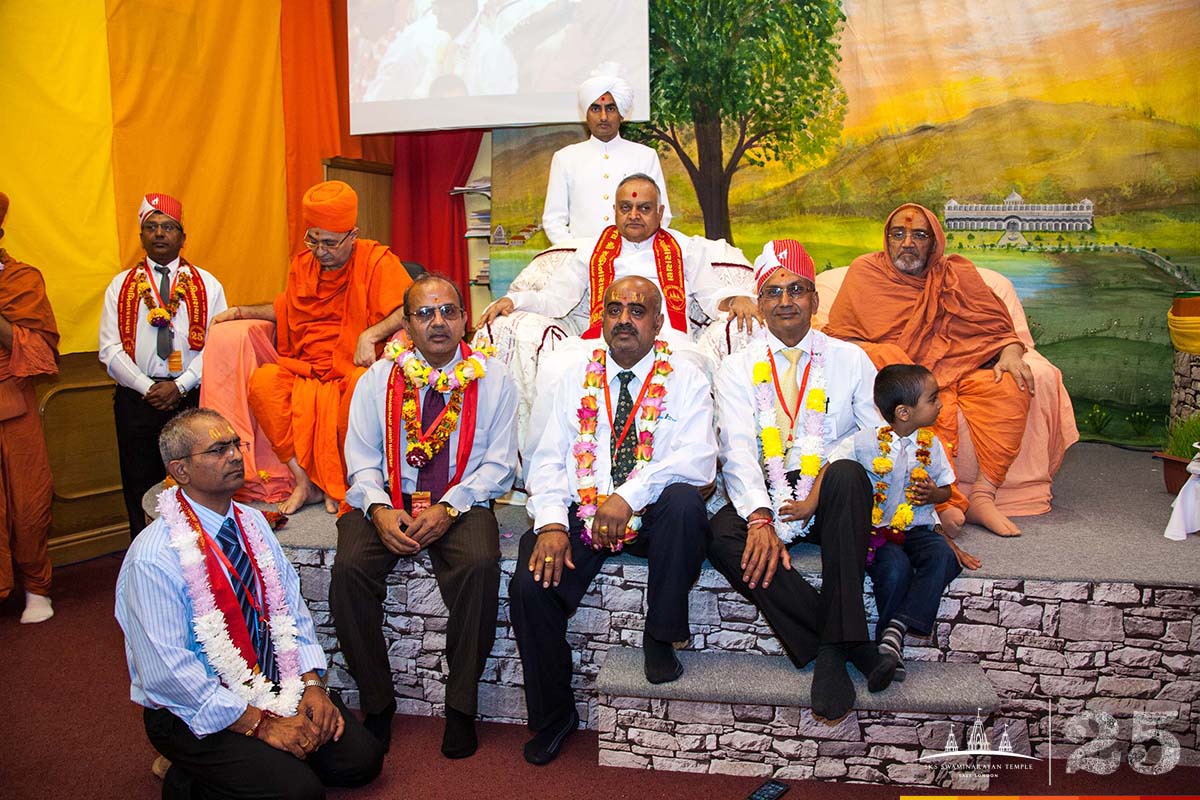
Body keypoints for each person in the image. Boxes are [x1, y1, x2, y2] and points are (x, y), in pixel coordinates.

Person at [114, 408, 383, 799]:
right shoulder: (154, 556)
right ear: (181, 470)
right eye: (218, 450)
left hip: (274, 682)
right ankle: (185, 777)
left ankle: (238, 766)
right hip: (191, 707)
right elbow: (167, 674)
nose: (236, 455)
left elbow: (291, 610)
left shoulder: (253, 523)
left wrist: (311, 686)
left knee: (361, 761)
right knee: (300, 793)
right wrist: (260, 725)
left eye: (235, 444)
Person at [509, 276, 715, 765]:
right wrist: (554, 524)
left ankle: (661, 634)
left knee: (686, 505)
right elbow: (549, 460)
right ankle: (554, 716)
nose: (624, 320)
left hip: (653, 517)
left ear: (658, 322)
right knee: (529, 586)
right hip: (585, 513)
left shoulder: (685, 378)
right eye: (614, 309)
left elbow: (700, 461)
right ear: (601, 319)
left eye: (637, 310)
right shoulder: (574, 378)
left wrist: (628, 495)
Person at [331, 274, 518, 759]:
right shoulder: (378, 378)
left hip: (463, 499)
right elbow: (362, 459)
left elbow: (500, 465)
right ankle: (377, 704)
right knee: (348, 572)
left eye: (449, 311)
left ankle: (460, 708)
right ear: (407, 325)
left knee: (480, 566)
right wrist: (377, 508)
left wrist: (451, 505)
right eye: (424, 313)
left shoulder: (493, 377)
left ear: (464, 319)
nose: (438, 322)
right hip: (389, 498)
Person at [708, 239, 895, 723]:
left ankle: (830, 652)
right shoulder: (737, 367)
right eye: (773, 291)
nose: (785, 300)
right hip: (769, 489)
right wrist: (760, 517)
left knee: (851, 477)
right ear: (761, 301)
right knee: (719, 534)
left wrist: (822, 478)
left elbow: (875, 434)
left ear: (814, 299)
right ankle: (846, 643)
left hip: (829, 490)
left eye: (797, 289)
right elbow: (737, 449)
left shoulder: (849, 359)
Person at [824, 203, 1034, 537]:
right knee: (920, 397)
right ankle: (941, 504)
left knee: (1011, 384)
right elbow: (840, 337)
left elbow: (995, 327)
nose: (907, 242)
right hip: (903, 375)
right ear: (887, 239)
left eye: (918, 234)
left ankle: (984, 494)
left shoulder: (955, 274)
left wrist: (1011, 352)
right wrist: (887, 354)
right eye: (898, 234)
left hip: (959, 364)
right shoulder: (866, 272)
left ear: (933, 242)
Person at [208, 180, 412, 514]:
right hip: (307, 368)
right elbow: (288, 308)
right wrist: (243, 312)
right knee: (264, 384)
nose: (320, 251)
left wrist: (370, 334)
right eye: (313, 240)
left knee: (362, 387)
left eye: (330, 243)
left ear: (352, 234)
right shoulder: (303, 264)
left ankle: (345, 485)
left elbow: (409, 307)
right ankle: (305, 482)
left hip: (354, 368)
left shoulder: (376, 261)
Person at [830, 364, 980, 683]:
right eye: (932, 399)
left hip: (919, 527)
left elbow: (946, 489)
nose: (939, 404)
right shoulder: (862, 443)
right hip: (879, 532)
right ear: (903, 412)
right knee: (895, 569)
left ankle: (894, 630)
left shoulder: (933, 444)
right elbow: (832, 473)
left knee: (944, 558)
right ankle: (891, 644)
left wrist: (932, 494)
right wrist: (806, 507)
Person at [483, 173, 757, 345]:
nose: (634, 215)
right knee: (560, 370)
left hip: (668, 343)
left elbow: (711, 297)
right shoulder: (592, 250)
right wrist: (515, 301)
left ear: (660, 213)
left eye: (644, 208)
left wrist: (736, 299)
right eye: (626, 207)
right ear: (615, 210)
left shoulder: (685, 248)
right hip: (605, 343)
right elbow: (555, 300)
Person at [99, 193, 227, 536]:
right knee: (139, 484)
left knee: (195, 480)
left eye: (168, 227)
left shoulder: (208, 284)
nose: (159, 234)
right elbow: (109, 349)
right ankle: (144, 558)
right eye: (151, 227)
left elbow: (218, 346)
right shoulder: (120, 285)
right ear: (141, 236)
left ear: (182, 237)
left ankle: (199, 557)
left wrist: (181, 385)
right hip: (137, 400)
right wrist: (147, 387)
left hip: (189, 399)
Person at [0, 192, 59, 623]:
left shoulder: (21, 279)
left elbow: (39, 354)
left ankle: (37, 589)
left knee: (28, 502)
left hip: (13, 404)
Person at [541, 73, 672, 245]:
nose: (603, 117)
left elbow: (662, 215)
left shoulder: (645, 156)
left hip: (635, 259)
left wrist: (636, 250)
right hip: (581, 259)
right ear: (586, 115)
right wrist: (577, 252)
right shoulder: (565, 158)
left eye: (610, 108)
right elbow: (553, 220)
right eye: (595, 109)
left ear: (621, 115)